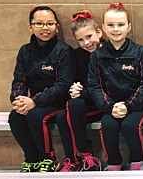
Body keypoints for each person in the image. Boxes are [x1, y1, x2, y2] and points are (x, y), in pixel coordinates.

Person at [87, 2, 143, 171]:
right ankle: (114, 162)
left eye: (120, 24)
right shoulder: (97, 56)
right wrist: (110, 106)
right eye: (111, 25)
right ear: (103, 27)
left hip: (137, 106)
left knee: (129, 125)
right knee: (108, 125)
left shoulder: (141, 52)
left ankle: (138, 161)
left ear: (128, 27)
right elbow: (94, 86)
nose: (116, 29)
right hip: (111, 107)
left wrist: (128, 105)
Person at [9, 5, 74, 172]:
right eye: (39, 23)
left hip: (57, 104)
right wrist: (18, 100)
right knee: (15, 116)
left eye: (49, 23)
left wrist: (34, 101)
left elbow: (63, 85)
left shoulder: (64, 51)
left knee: (35, 115)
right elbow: (19, 80)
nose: (45, 28)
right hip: (32, 102)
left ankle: (48, 158)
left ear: (56, 27)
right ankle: (32, 157)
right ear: (31, 26)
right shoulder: (25, 51)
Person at [56, 10, 104, 172]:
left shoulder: (109, 52)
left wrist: (83, 92)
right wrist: (75, 88)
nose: (86, 43)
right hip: (84, 105)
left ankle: (84, 154)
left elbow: (109, 87)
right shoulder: (77, 55)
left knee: (72, 108)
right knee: (64, 114)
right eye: (81, 40)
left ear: (99, 32)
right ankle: (75, 159)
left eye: (89, 37)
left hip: (104, 104)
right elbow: (73, 79)